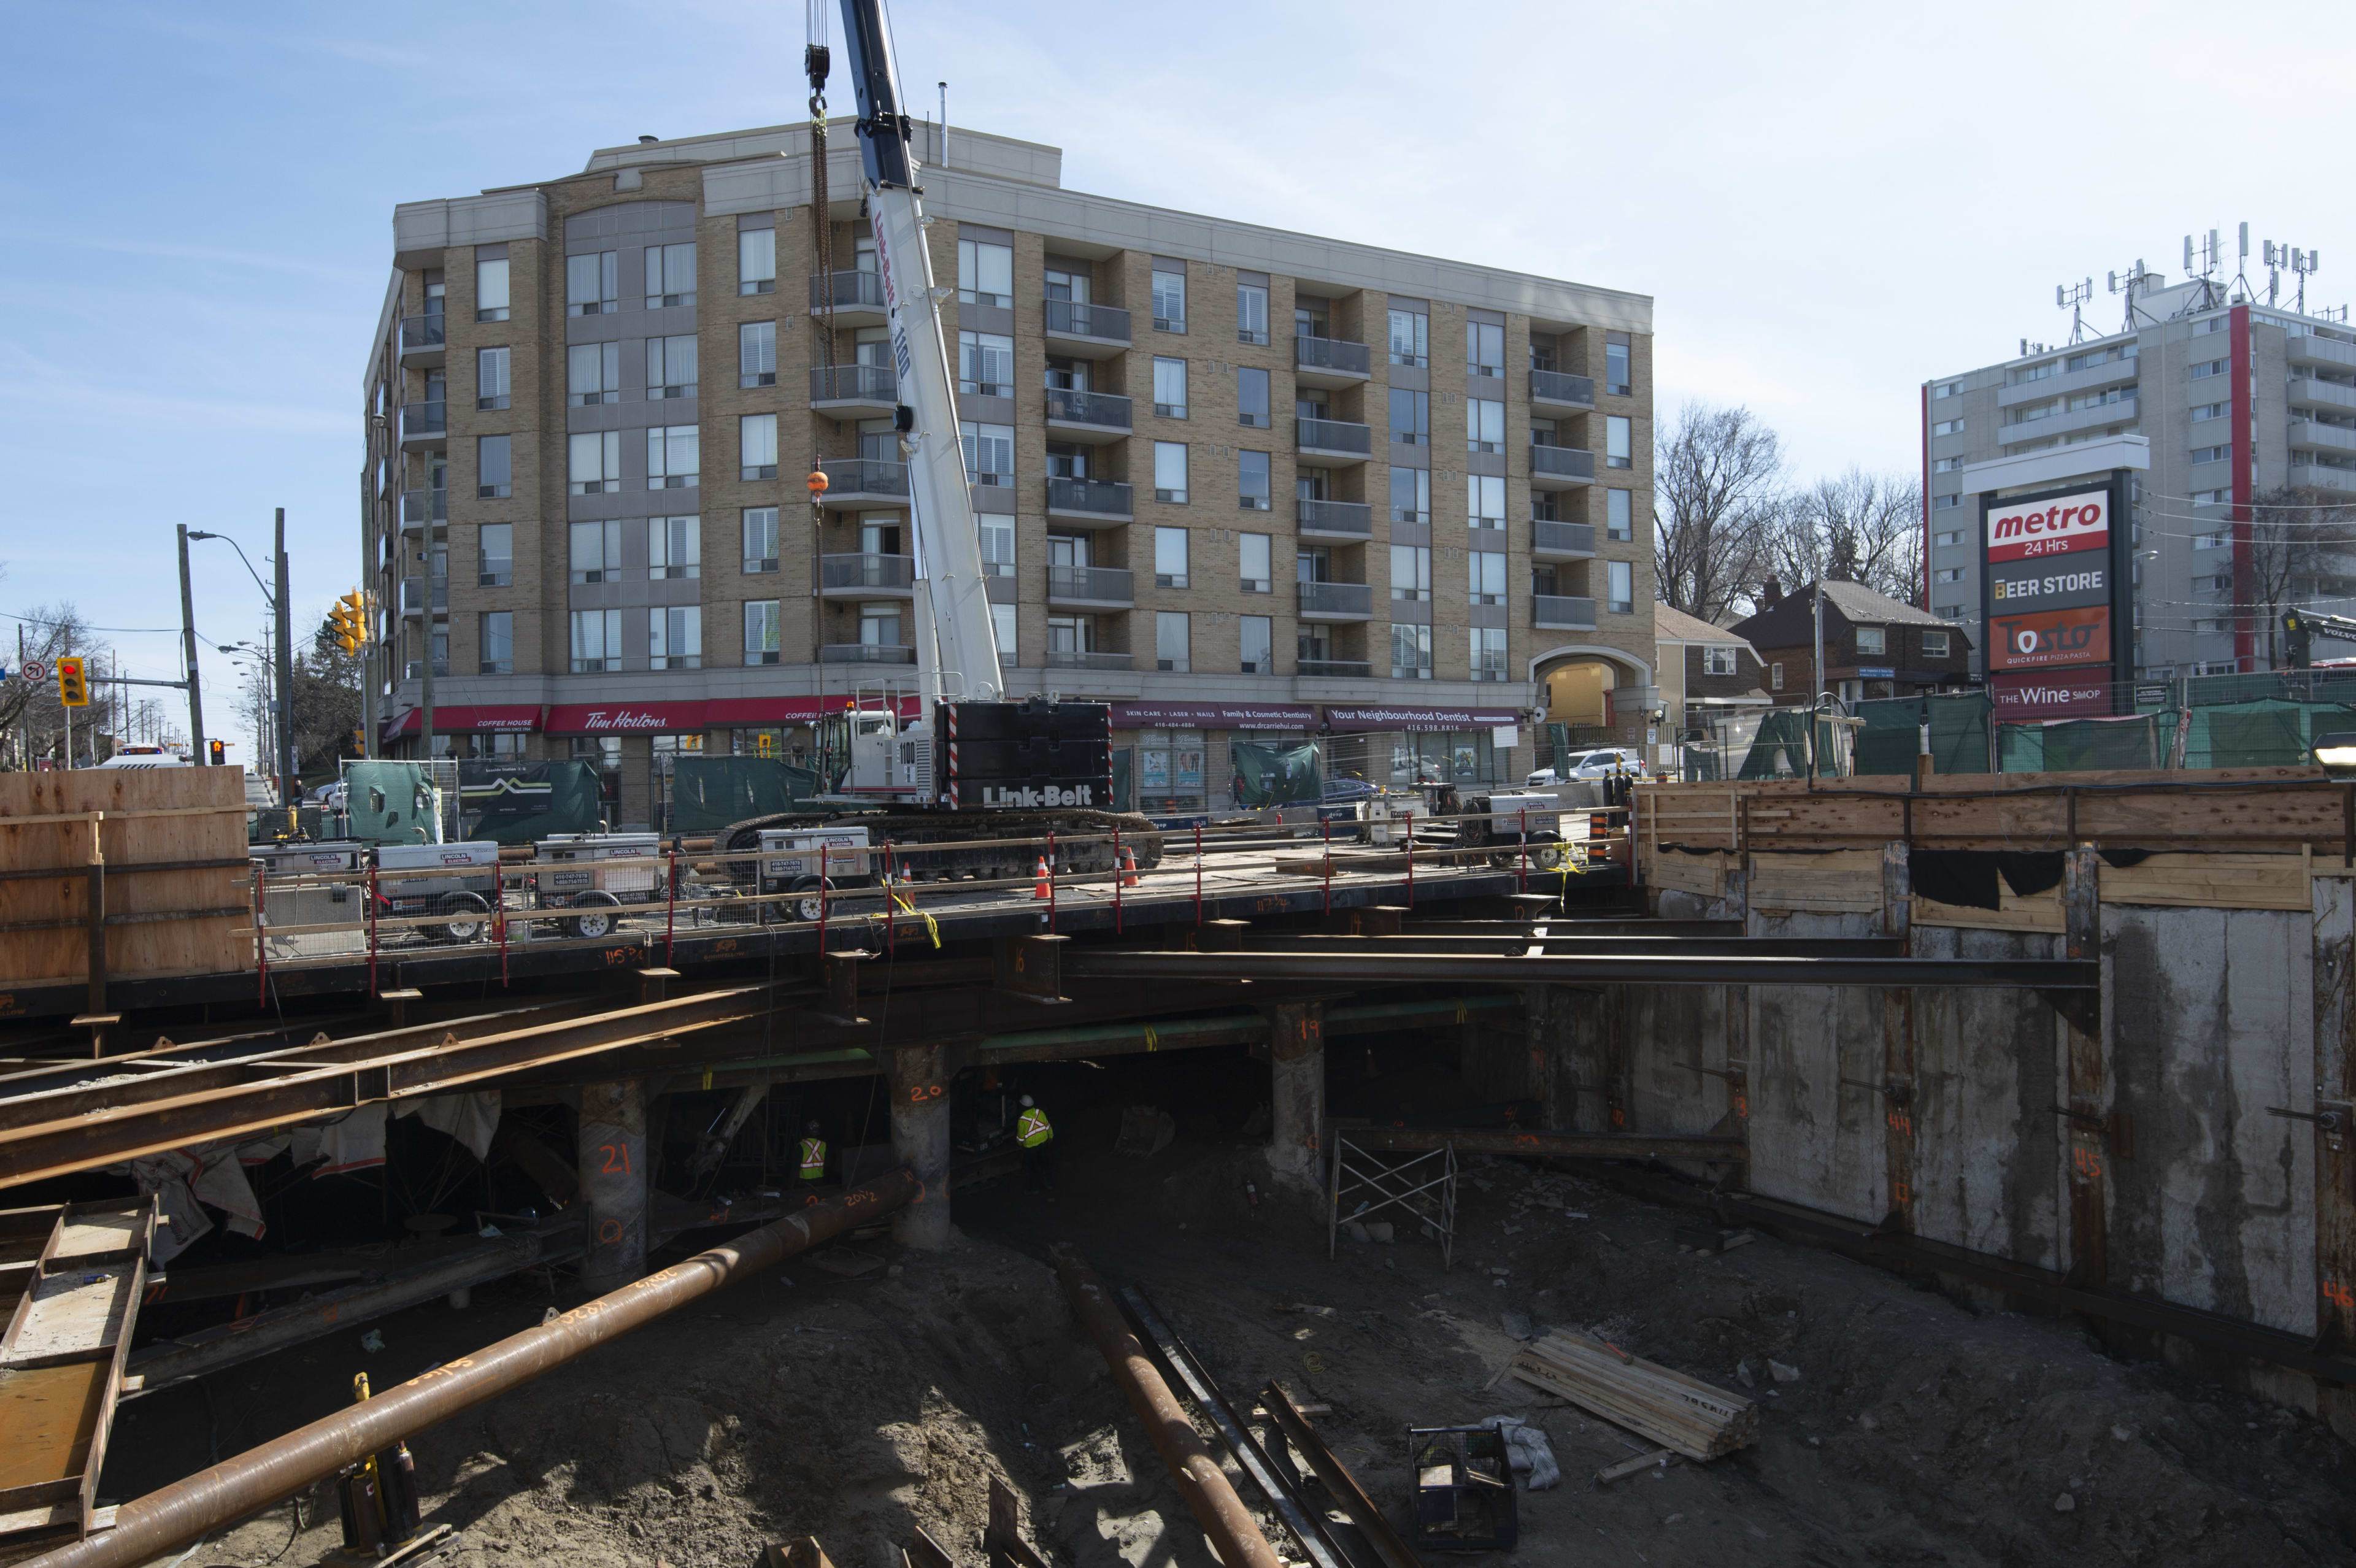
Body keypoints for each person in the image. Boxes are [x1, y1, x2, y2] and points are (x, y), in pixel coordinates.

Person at [1016, 1094, 1057, 1195]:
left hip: (1031, 1148)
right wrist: (1051, 1137)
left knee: (1033, 1168)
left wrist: (1020, 1144)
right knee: (1045, 1164)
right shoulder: (1040, 1113)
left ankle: (1035, 1188)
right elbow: (1048, 1126)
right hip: (1043, 1143)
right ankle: (1049, 1184)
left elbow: (1020, 1137)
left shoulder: (1022, 1120)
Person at [798, 1120, 828, 1188]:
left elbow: (795, 1167)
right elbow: (828, 1163)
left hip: (804, 1182)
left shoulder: (802, 1145)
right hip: (819, 1180)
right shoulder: (823, 1145)